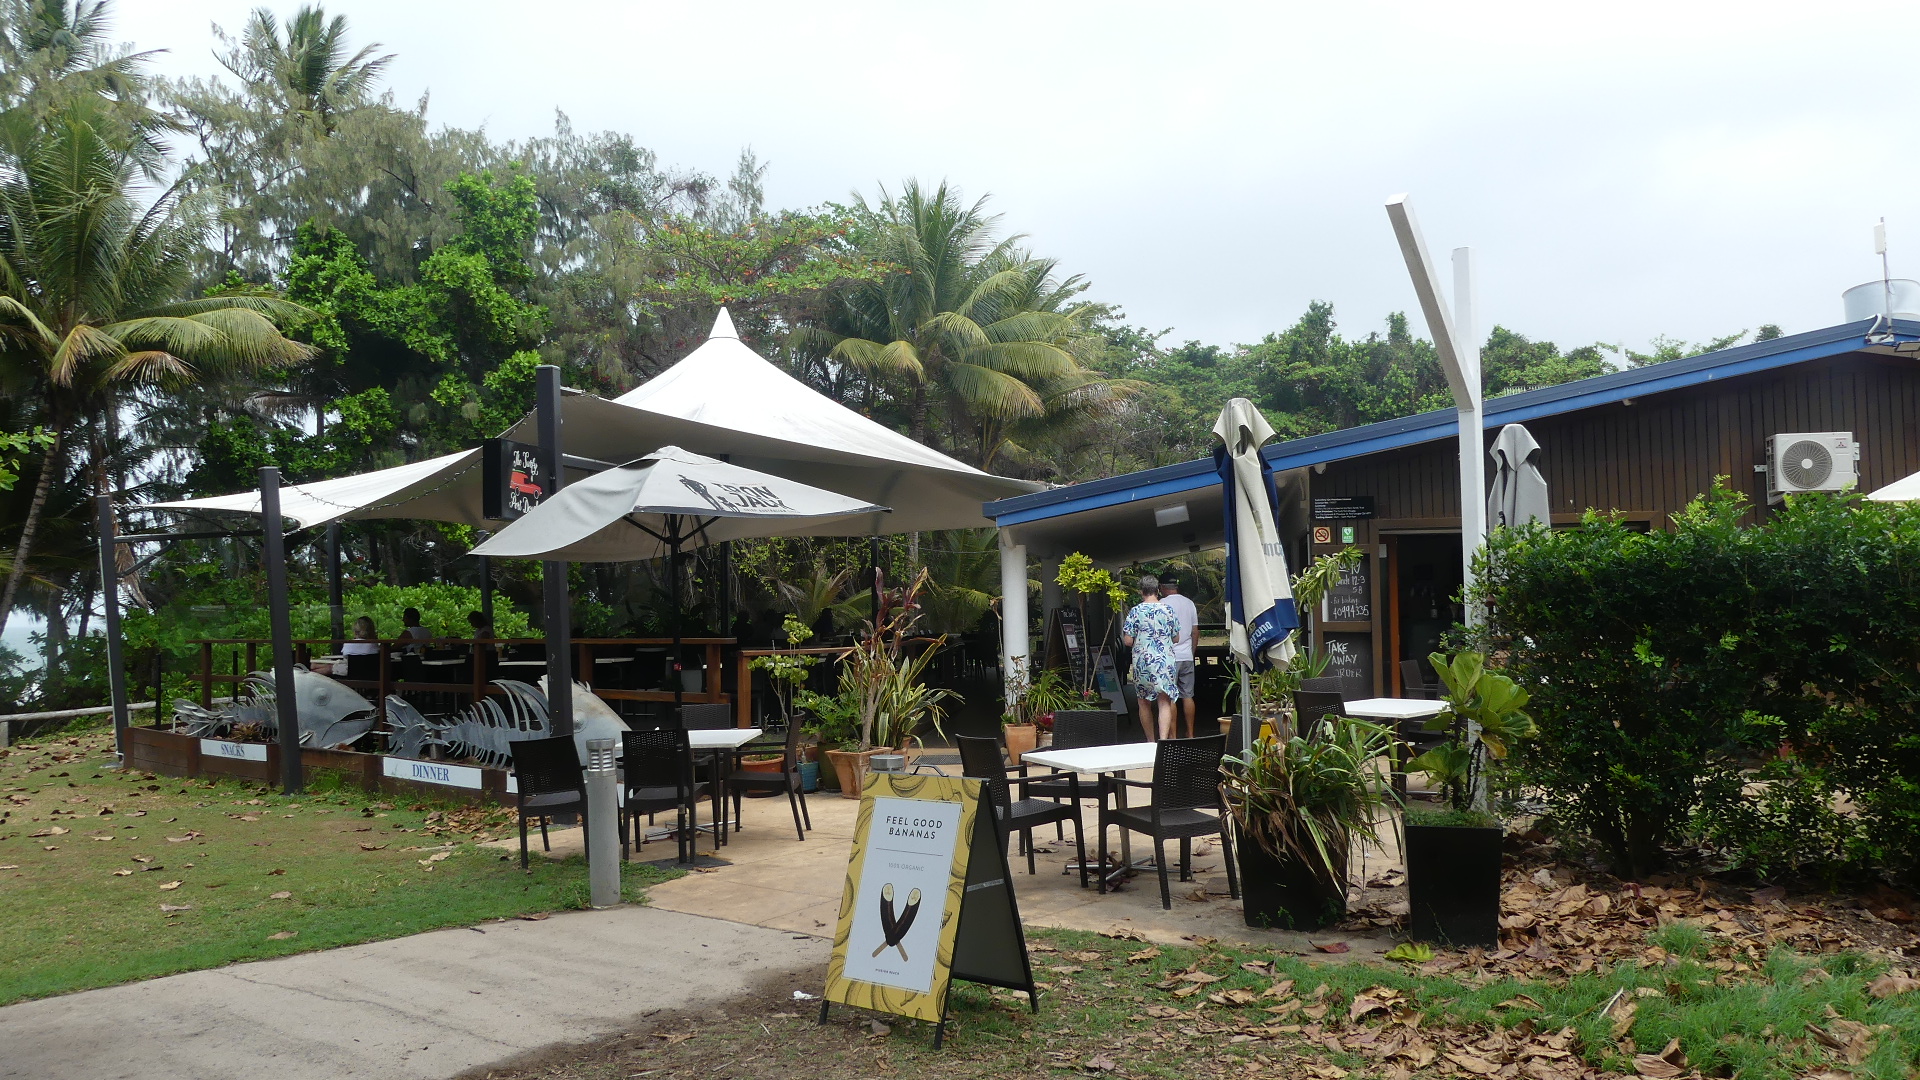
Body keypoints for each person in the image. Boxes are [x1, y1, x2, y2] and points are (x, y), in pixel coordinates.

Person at [1120, 575, 1184, 741]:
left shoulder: (1135, 611)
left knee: (1143, 702)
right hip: (1164, 661)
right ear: (1157, 590)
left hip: (1143, 663)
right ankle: (1163, 740)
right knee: (1164, 701)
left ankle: (1150, 742)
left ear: (1142, 591)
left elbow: (1128, 641)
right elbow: (1176, 638)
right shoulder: (1168, 610)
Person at [1159, 575, 1200, 739]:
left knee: (1170, 698)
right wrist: (1192, 651)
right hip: (1187, 655)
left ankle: (1173, 736)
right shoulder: (1189, 603)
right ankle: (1190, 733)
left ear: (1162, 587)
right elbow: (1195, 631)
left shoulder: (1162, 604)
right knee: (1188, 696)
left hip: (1170, 657)